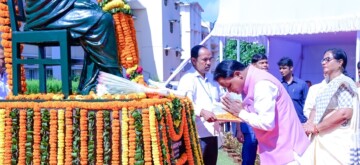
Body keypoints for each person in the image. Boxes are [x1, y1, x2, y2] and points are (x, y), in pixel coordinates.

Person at [214, 60, 310, 165]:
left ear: (238, 74)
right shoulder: (253, 81)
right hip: (278, 150)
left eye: (229, 86)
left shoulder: (262, 84)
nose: (229, 91)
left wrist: (241, 112)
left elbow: (267, 123)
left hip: (289, 153)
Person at [24, 0, 122, 94]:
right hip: (46, 12)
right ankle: (112, 76)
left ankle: (94, 84)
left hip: (62, 7)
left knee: (99, 17)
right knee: (102, 19)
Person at [302, 48, 360, 164]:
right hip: (323, 139)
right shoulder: (329, 85)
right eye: (323, 60)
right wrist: (309, 123)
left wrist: (317, 128)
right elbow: (316, 107)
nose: (323, 62)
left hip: (335, 142)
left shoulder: (343, 82)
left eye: (327, 59)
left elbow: (345, 113)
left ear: (340, 62)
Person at [177, 45, 223, 165]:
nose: (208, 63)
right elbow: (186, 103)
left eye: (210, 59)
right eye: (204, 60)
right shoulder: (187, 79)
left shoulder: (212, 79)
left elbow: (219, 100)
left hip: (213, 133)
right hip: (196, 135)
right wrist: (202, 112)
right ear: (193, 60)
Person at [236, 53, 268, 165]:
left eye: (266, 62)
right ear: (253, 65)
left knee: (268, 156)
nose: (265, 65)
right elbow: (239, 107)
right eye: (262, 63)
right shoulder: (245, 82)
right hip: (249, 125)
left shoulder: (267, 81)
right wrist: (239, 130)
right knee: (249, 157)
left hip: (265, 124)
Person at [278, 57, 309, 123]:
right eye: (280, 68)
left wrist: (306, 119)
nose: (281, 70)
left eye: (284, 68)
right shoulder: (278, 85)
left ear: (291, 68)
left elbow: (306, 103)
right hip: (283, 121)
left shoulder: (302, 84)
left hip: (299, 121)